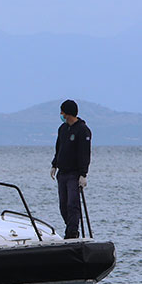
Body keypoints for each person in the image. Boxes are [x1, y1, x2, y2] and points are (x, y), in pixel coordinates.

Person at [50, 99, 91, 239]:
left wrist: (83, 174)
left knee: (72, 203)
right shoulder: (62, 129)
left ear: (68, 113)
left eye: (62, 112)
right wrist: (54, 164)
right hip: (62, 173)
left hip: (74, 173)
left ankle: (72, 232)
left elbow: (85, 153)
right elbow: (59, 148)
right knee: (63, 205)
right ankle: (70, 227)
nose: (61, 114)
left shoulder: (83, 130)